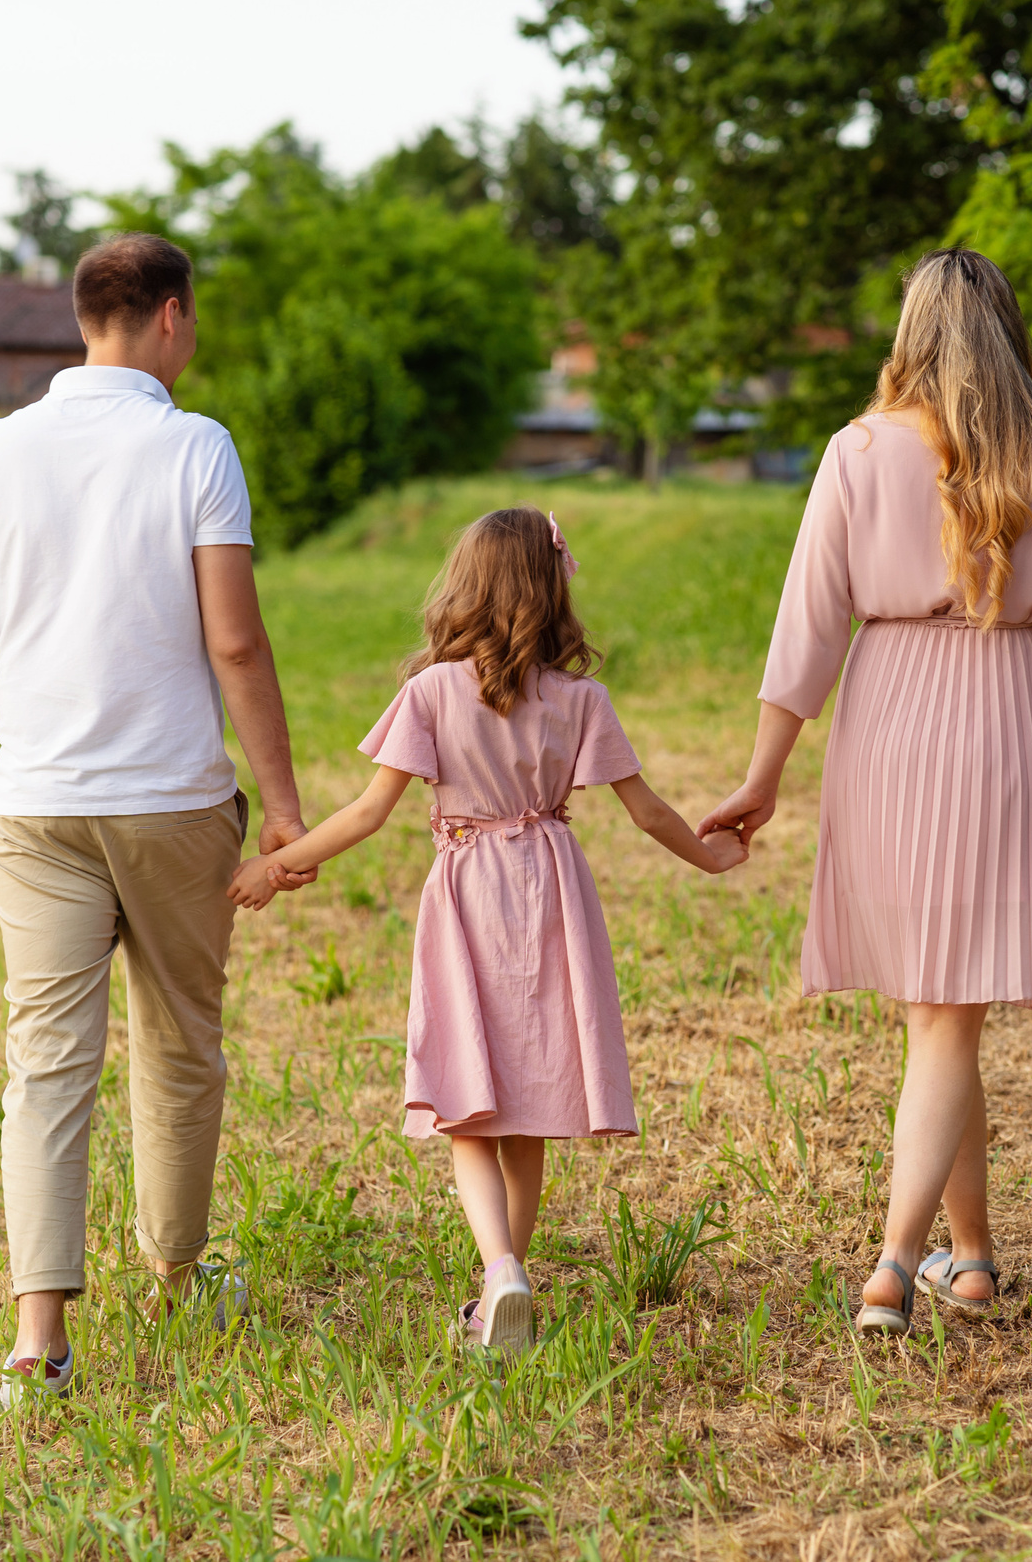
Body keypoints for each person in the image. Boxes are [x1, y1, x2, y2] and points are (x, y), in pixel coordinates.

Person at [700, 247, 1032, 1335]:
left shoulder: (855, 450)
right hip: (1002, 721)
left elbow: (807, 625)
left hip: (887, 717)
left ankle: (898, 1261)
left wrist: (762, 776)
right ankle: (953, 1259)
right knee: (945, 1014)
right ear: (1008, 331)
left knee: (940, 1013)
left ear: (910, 333)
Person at [0, 232, 313, 1406]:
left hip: (32, 807)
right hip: (173, 801)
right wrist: (284, 802)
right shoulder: (195, 446)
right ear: (172, 318)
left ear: (85, 316)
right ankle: (178, 1278)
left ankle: (38, 1336)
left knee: (45, 1062)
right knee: (181, 1044)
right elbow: (233, 639)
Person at [230, 507, 747, 1353]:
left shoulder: (431, 692)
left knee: (467, 1102)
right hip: (551, 893)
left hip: (469, 894)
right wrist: (711, 856)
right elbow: (648, 813)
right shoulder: (582, 699)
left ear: (464, 590)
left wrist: (275, 869)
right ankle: (499, 1282)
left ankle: (500, 1269)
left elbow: (366, 813)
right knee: (531, 1104)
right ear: (551, 592)